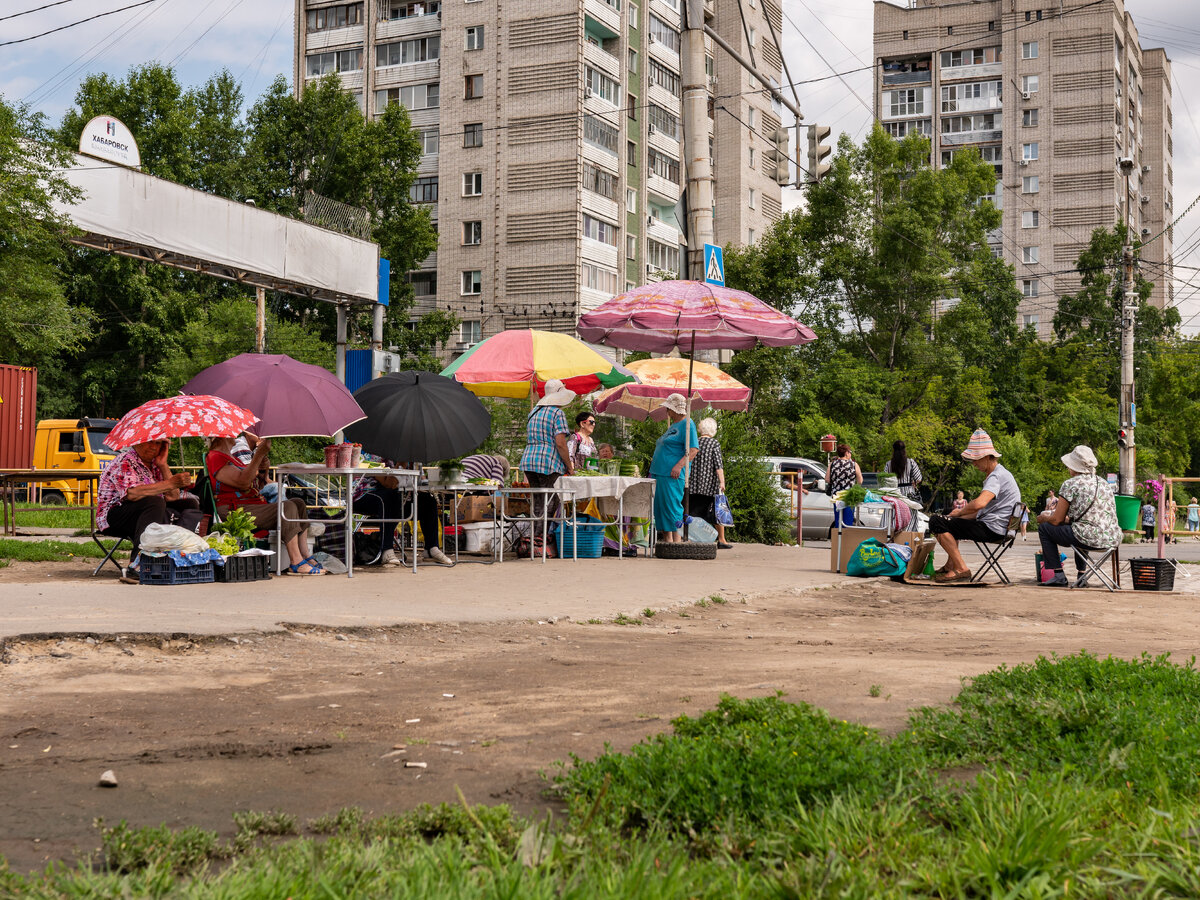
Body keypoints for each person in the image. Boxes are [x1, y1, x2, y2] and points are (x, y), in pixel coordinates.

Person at [206, 436, 324, 575]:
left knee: (298, 503)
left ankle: (305, 556)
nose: (236, 435)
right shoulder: (215, 457)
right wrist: (258, 455)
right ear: (222, 437)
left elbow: (255, 485)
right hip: (235, 510)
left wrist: (262, 469)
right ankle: (296, 562)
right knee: (287, 508)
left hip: (251, 505)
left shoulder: (231, 457)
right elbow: (242, 482)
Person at [927, 429, 1021, 584]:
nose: (974, 463)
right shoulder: (1001, 473)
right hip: (998, 527)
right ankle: (951, 564)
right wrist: (957, 515)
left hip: (993, 529)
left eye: (976, 459)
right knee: (946, 514)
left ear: (988, 457)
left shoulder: (996, 476)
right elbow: (982, 511)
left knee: (937, 521)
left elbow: (979, 504)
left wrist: (960, 512)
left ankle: (961, 568)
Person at [97, 439, 198, 577]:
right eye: (149, 442)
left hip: (148, 513)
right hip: (114, 516)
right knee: (155, 502)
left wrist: (163, 465)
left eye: (158, 444)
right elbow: (132, 494)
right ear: (136, 442)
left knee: (190, 504)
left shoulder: (155, 465)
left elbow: (173, 496)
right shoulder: (125, 461)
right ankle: (138, 563)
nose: (153, 447)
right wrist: (170, 483)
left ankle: (180, 555)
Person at [1035, 445, 1122, 588]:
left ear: (1074, 467)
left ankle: (1058, 575)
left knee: (1045, 529)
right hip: (1112, 538)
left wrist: (1044, 517)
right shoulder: (1104, 483)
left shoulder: (1070, 484)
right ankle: (1082, 575)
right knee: (1082, 526)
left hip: (1088, 537)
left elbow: (1057, 520)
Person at [352, 456, 453, 567]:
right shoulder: (376, 456)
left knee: (428, 500)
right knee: (389, 498)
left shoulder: (413, 458)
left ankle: (431, 548)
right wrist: (402, 463)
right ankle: (387, 550)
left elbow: (421, 481)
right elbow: (390, 484)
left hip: (399, 496)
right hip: (365, 494)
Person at [518, 378, 576, 554]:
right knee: (551, 500)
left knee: (538, 500)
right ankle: (540, 538)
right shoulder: (557, 414)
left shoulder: (534, 412)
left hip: (529, 460)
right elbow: (560, 443)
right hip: (548, 461)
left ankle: (533, 537)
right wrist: (570, 466)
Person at [649, 393, 699, 543]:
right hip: (660, 472)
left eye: (668, 408)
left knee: (672, 506)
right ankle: (667, 541)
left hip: (672, 473)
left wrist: (678, 466)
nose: (666, 411)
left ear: (675, 409)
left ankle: (677, 542)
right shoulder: (673, 426)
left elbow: (693, 450)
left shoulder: (688, 424)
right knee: (661, 507)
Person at [688, 417, 731, 549]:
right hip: (709, 486)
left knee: (691, 512)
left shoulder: (694, 442)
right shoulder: (714, 444)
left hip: (692, 485)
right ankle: (722, 540)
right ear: (713, 430)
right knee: (716, 512)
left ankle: (690, 538)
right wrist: (722, 482)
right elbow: (718, 465)